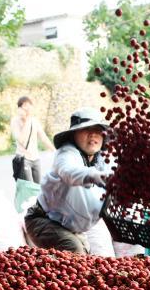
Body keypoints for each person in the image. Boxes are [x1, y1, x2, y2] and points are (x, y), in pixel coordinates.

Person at [24, 108, 112, 254]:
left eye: (97, 130)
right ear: (74, 135)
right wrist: (99, 177)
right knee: (74, 251)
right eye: (86, 129)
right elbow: (69, 172)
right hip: (44, 220)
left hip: (72, 228)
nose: (93, 134)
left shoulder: (103, 159)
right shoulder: (66, 153)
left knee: (85, 260)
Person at [11, 96, 54, 182]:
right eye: (25, 105)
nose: (28, 107)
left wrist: (54, 150)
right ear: (20, 108)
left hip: (36, 159)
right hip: (24, 159)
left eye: (29, 105)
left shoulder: (34, 120)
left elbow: (43, 137)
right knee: (29, 186)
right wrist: (26, 120)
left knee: (38, 186)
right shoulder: (15, 121)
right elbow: (21, 140)